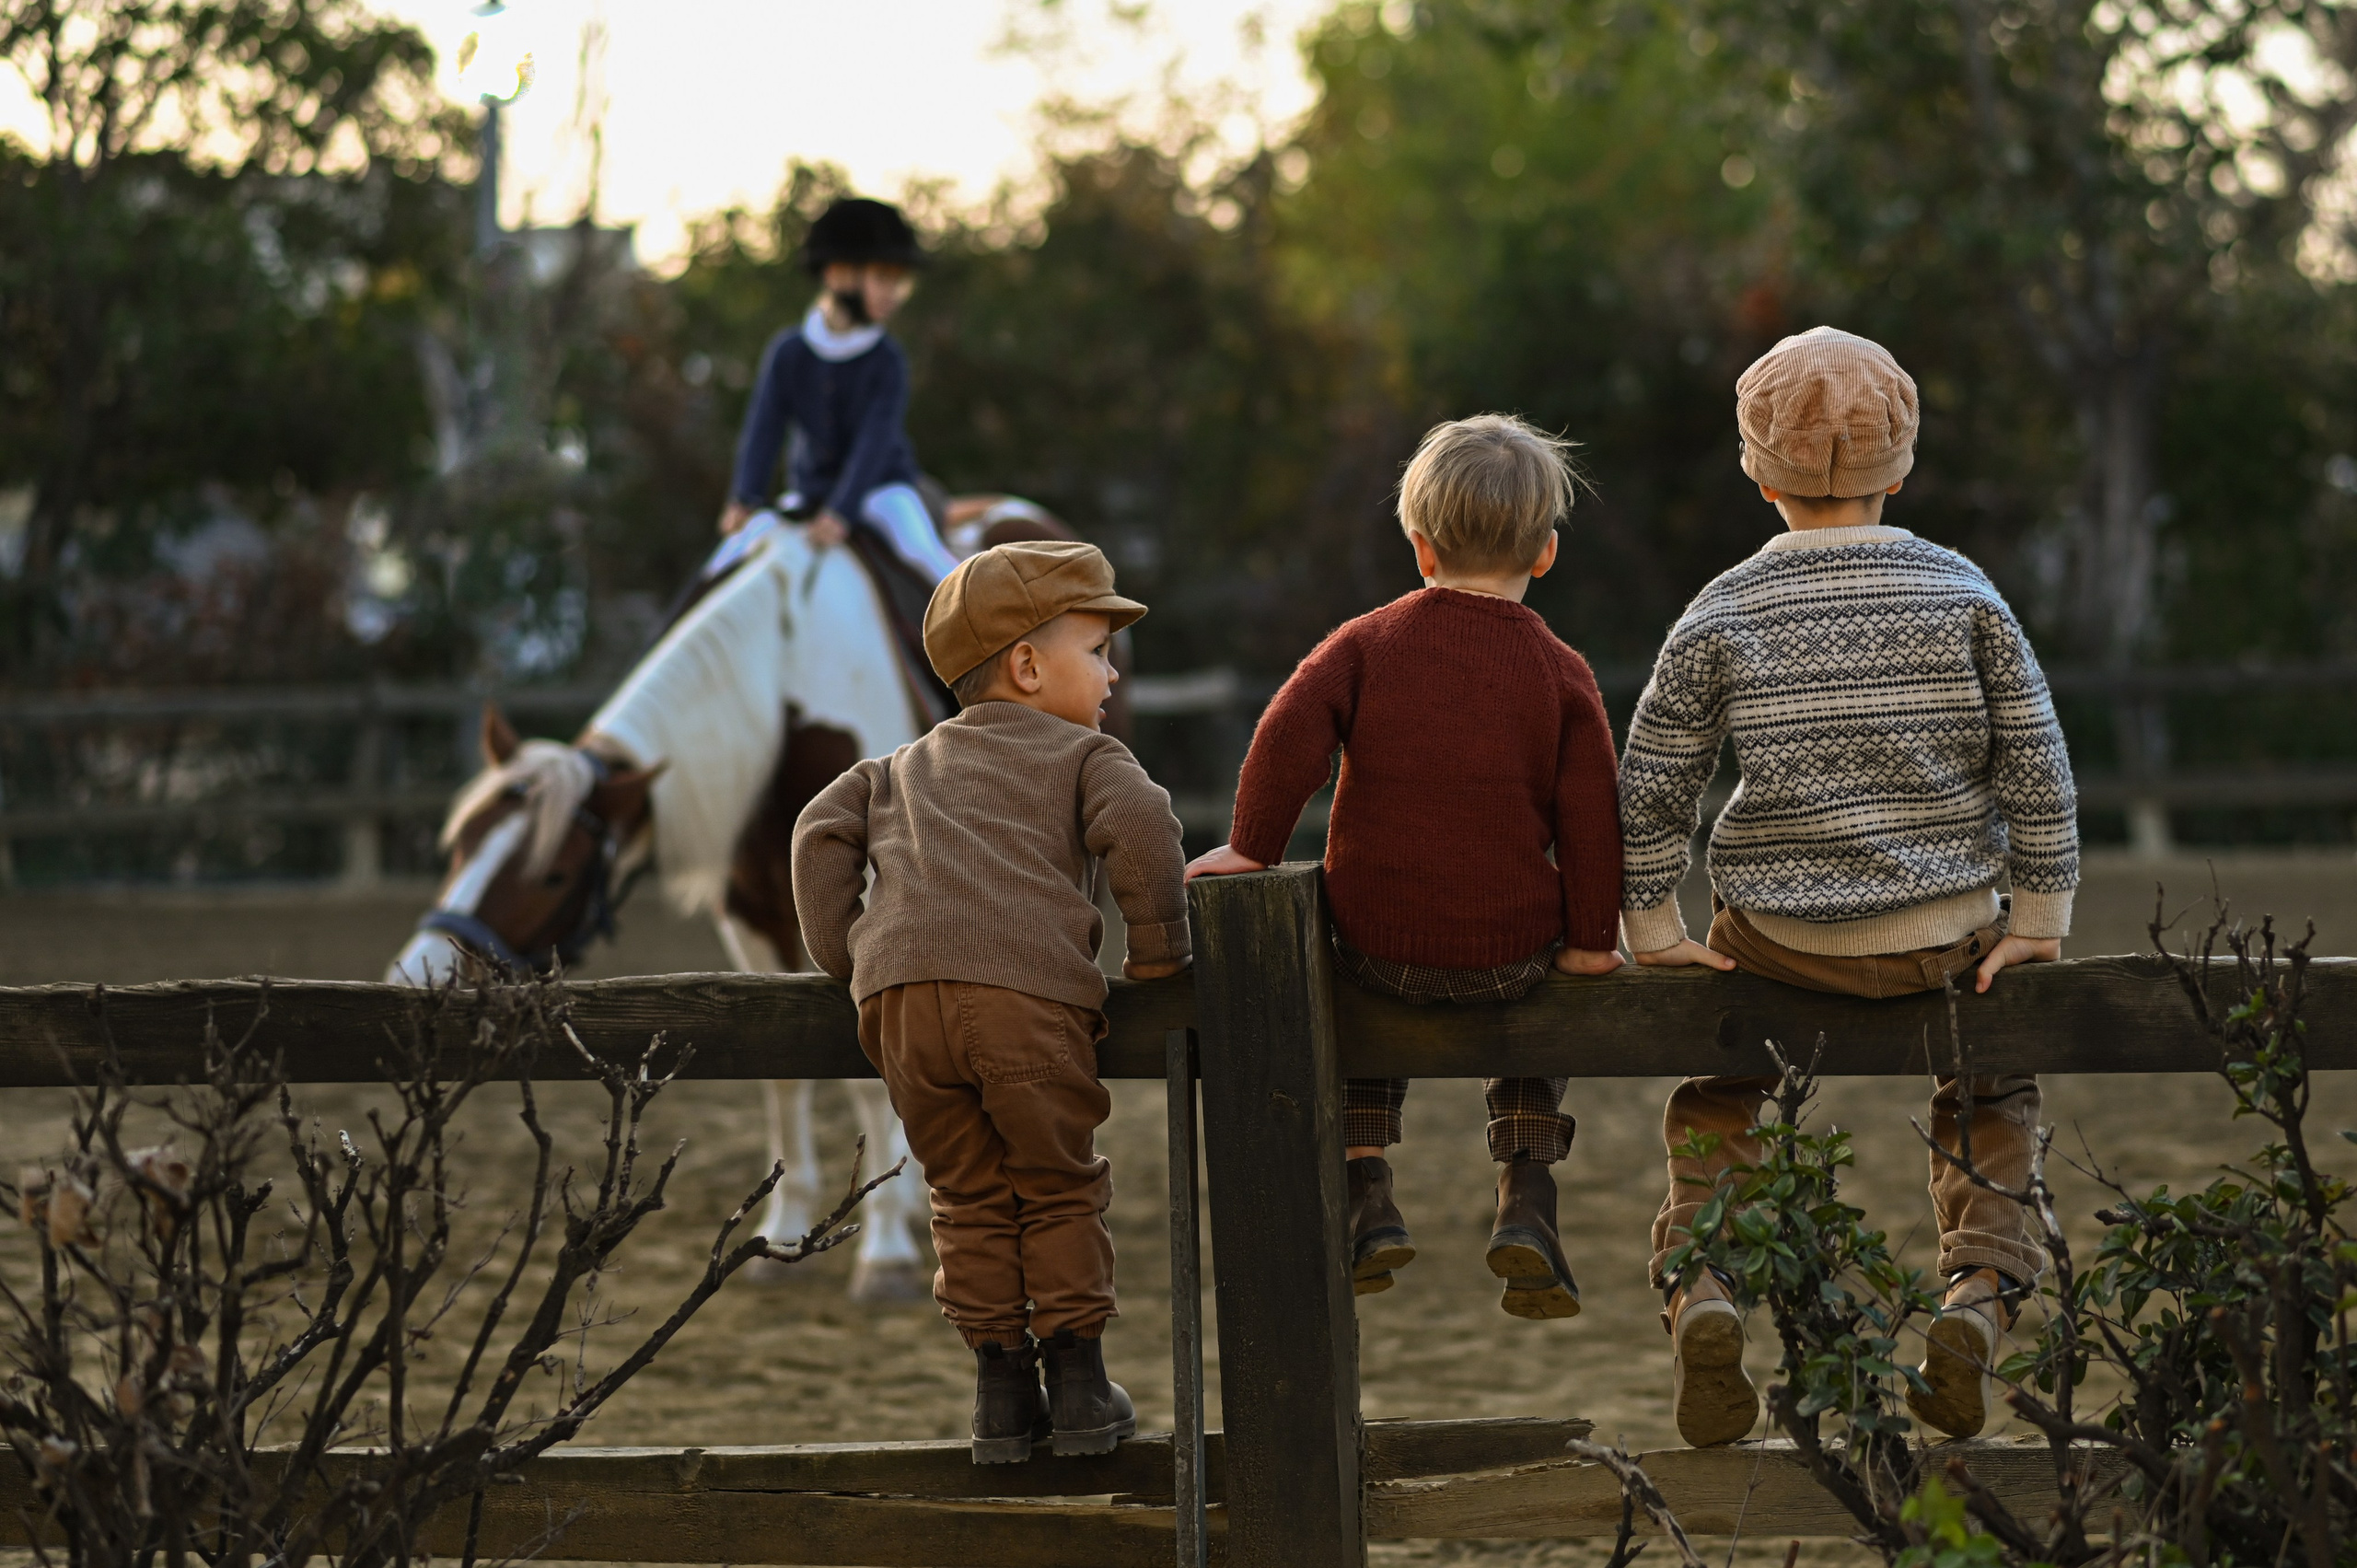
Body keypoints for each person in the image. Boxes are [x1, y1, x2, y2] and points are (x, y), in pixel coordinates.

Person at [1619, 326, 2081, 1446]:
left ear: (1756, 471)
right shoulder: (1964, 589)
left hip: (1773, 938)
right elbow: (2037, 760)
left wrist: (1654, 924)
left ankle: (1708, 1287)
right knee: (1990, 1098)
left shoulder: (1721, 607)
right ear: (1904, 468)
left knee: (1719, 1097)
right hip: (1946, 937)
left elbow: (1653, 779)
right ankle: (1974, 1294)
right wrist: (2037, 918)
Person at [1187, 413, 1624, 1320]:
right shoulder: (1560, 669)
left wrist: (1251, 846)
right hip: (1509, 951)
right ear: (1544, 552)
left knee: (1342, 1003)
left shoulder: (1364, 643)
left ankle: (1365, 1187)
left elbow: (1284, 737)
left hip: (1376, 941)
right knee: (1543, 1022)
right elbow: (1592, 819)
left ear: (1420, 548)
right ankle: (1526, 1185)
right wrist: (1586, 938)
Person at [790, 539, 1190, 1465]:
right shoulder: (1086, 755)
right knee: (1055, 1179)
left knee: (965, 1191)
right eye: (1095, 648)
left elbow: (819, 834)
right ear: (1025, 664)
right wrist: (1162, 953)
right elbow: (1141, 827)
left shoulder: (894, 767)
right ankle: (1081, 1383)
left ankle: (1001, 1393)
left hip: (900, 1009)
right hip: (1023, 997)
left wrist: (849, 955)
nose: (1109, 670)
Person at [718, 196, 959, 583]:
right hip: (809, 494)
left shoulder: (887, 360)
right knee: (727, 557)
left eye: (900, 282)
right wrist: (745, 497)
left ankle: (987, 627)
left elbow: (874, 442)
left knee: (922, 553)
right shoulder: (789, 351)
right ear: (838, 274)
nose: (894, 293)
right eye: (883, 278)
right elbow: (764, 428)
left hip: (882, 491)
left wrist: (842, 511)